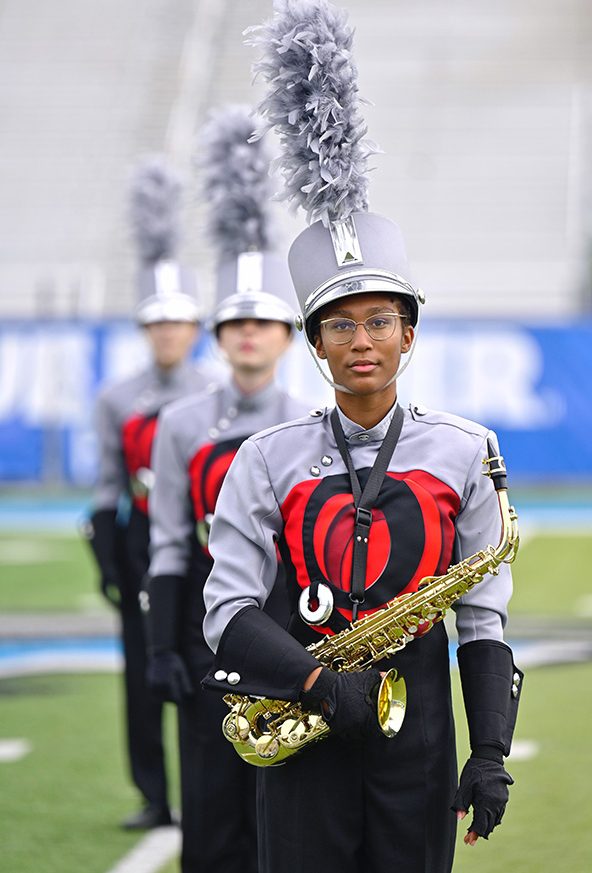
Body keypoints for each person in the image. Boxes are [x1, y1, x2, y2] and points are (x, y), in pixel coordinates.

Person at [201, 3, 523, 872]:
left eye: (381, 320)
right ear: (314, 345)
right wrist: (318, 681)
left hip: (417, 739)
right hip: (302, 718)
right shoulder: (264, 457)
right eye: (339, 326)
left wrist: (489, 749)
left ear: (409, 334)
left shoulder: (466, 449)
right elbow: (227, 609)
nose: (362, 341)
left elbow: (482, 617)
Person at [145, 106, 308, 873]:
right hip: (203, 638)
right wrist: (162, 646)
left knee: (286, 814)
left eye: (265, 322)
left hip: (290, 633)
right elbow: (170, 540)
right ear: (216, 336)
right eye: (235, 323)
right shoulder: (180, 423)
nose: (249, 333)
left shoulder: (310, 422)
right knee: (211, 818)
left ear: (288, 337)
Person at [84, 157, 209, 830]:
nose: (167, 334)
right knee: (142, 671)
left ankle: (210, 787)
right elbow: (108, 481)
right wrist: (109, 557)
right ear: (144, 330)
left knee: (207, 664)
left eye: (178, 323)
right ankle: (153, 793)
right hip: (141, 541)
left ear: (195, 329)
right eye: (156, 324)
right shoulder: (116, 397)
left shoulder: (214, 393)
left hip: (201, 542)